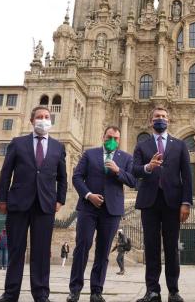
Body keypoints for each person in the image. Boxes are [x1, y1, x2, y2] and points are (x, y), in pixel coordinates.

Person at [0, 106, 68, 302]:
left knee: (41, 252)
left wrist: (60, 199)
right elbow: (6, 172)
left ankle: (41, 294)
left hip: (45, 205)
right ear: (32, 120)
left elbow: (62, 177)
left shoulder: (58, 147)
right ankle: (10, 294)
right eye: (39, 117)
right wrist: (2, 198)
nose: (43, 119)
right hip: (18, 202)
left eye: (46, 117)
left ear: (51, 121)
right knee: (16, 250)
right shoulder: (18, 143)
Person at [67, 126, 137, 302]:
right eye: (109, 137)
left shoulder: (126, 158)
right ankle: (74, 290)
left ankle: (96, 291)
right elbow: (77, 177)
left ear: (119, 140)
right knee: (82, 247)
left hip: (112, 211)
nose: (112, 140)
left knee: (103, 252)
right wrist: (89, 195)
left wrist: (118, 171)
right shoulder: (89, 154)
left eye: (115, 138)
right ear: (103, 136)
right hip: (88, 208)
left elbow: (133, 181)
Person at [132, 107, 193, 302]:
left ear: (169, 120)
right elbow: (134, 170)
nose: (160, 119)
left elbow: (187, 175)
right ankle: (153, 290)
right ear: (151, 121)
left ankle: (173, 290)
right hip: (149, 201)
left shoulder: (180, 145)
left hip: (172, 202)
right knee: (151, 246)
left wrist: (186, 202)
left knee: (171, 246)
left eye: (164, 116)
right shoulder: (142, 145)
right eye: (157, 117)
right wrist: (148, 167)